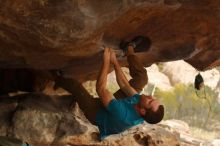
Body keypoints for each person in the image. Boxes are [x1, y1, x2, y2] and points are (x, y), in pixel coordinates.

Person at [53, 39, 164, 140]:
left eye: (150, 101)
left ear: (142, 111)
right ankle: (129, 48)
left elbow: (101, 89)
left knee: (75, 87)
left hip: (97, 113)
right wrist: (115, 62)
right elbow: (126, 86)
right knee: (141, 79)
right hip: (117, 107)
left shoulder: (123, 115)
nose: (150, 96)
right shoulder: (141, 104)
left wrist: (106, 60)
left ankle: (53, 76)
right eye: (153, 98)